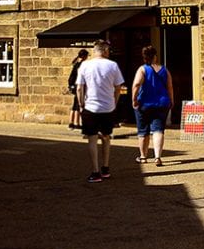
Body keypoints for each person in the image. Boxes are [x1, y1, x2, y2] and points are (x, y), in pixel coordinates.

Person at [75, 40, 126, 183]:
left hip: (90, 107)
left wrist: (81, 104)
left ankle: (95, 171)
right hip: (108, 107)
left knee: (92, 138)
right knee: (106, 137)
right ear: (104, 50)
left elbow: (79, 87)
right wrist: (114, 102)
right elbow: (118, 87)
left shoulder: (85, 65)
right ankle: (105, 168)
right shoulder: (113, 65)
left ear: (95, 50)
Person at [131, 45, 174, 166]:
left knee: (143, 130)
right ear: (155, 56)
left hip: (144, 103)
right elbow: (170, 87)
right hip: (162, 103)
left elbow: (136, 84)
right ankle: (157, 157)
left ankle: (143, 156)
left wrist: (134, 99)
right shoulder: (165, 70)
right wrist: (171, 100)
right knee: (158, 130)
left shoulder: (142, 69)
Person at [67, 49, 88, 130]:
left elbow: (71, 77)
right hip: (79, 86)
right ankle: (76, 123)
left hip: (74, 86)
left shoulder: (76, 64)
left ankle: (71, 122)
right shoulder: (82, 65)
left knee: (74, 105)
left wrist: (70, 85)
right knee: (78, 105)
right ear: (84, 56)